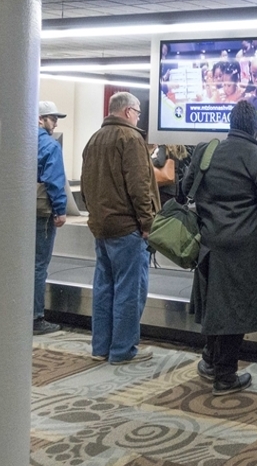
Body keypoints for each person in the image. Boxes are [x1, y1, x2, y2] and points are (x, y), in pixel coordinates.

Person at [183, 101, 257, 396]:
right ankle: (225, 376)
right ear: (255, 127)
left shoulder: (206, 151)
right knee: (235, 311)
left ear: (230, 123)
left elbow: (184, 189)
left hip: (209, 244)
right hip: (244, 248)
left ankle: (211, 360)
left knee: (215, 305)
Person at [81, 92, 160, 364]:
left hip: (101, 227)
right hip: (128, 228)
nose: (139, 117)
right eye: (137, 112)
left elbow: (86, 183)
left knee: (104, 288)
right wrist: (148, 224)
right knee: (130, 290)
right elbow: (140, 187)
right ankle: (123, 351)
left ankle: (100, 348)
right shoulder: (131, 139)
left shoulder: (94, 139)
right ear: (127, 111)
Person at [34, 101, 68, 335]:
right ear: (40, 119)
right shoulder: (49, 145)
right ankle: (36, 318)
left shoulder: (19, 140)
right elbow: (54, 180)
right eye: (51, 118)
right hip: (42, 212)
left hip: (18, 213)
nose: (55, 123)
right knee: (38, 265)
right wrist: (60, 210)